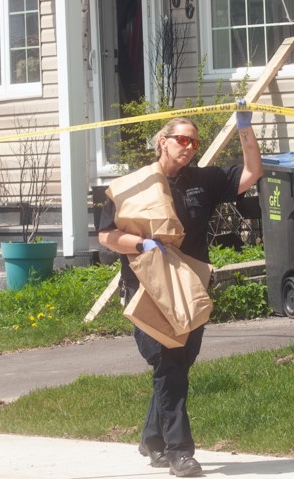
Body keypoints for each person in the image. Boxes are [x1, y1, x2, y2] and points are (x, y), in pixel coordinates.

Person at [97, 101, 262, 478]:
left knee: (179, 363)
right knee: (169, 363)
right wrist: (140, 245)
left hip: (189, 286)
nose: (189, 147)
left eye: (194, 142)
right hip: (147, 288)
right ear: (163, 142)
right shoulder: (133, 185)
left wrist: (244, 128)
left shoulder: (204, 181)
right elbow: (107, 235)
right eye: (183, 140)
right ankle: (179, 453)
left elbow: (252, 172)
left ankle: (153, 438)